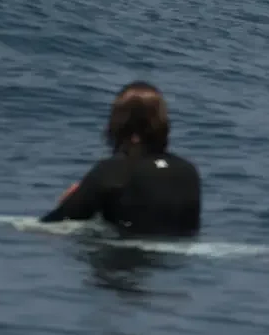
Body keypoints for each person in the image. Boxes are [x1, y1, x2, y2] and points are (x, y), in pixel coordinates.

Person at [41, 81, 201, 237]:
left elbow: (54, 224)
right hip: (175, 262)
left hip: (127, 259)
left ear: (119, 125)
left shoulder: (111, 172)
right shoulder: (189, 171)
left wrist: (67, 202)